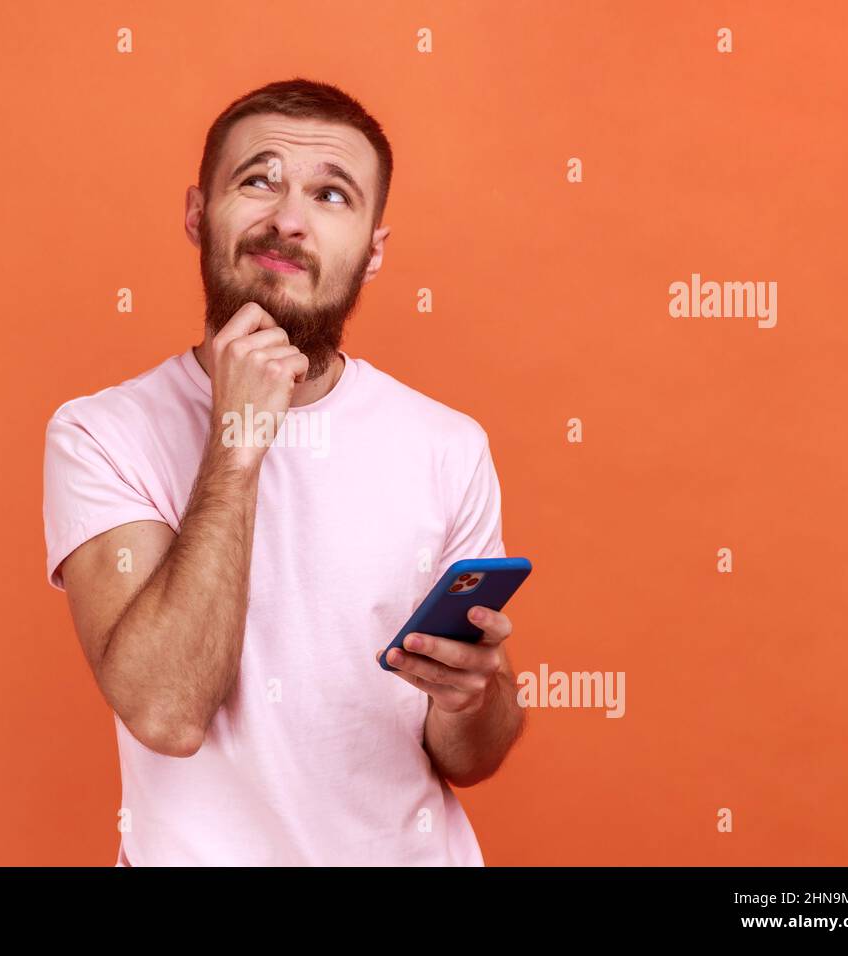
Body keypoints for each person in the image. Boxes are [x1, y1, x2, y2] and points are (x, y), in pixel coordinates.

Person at [43, 78, 524, 865]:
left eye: (332, 195)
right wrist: (238, 437)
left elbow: (472, 758)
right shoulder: (101, 433)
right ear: (198, 214)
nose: (288, 219)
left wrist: (473, 698)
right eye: (258, 179)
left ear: (373, 251)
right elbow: (167, 711)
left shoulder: (449, 445)